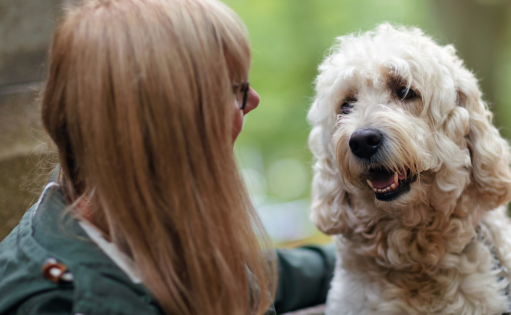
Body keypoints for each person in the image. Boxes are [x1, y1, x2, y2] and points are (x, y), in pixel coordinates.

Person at [0, 0, 334, 314]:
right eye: (235, 89)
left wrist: (363, 257)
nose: (253, 101)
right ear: (173, 126)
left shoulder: (134, 216)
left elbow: (250, 279)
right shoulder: (65, 302)